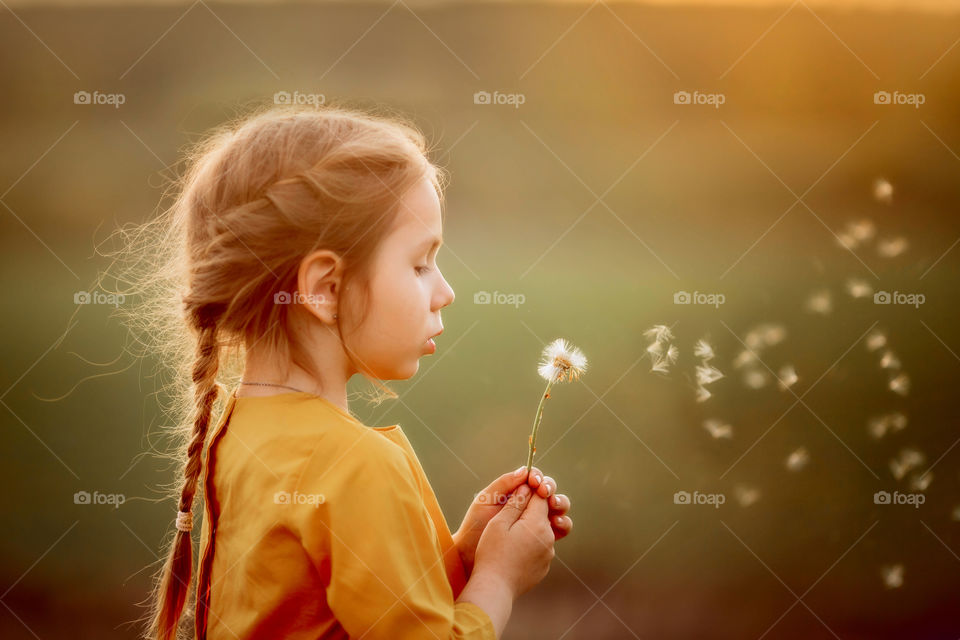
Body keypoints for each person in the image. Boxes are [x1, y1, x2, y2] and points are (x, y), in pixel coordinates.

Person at [131, 103, 574, 639]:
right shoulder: (357, 466)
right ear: (325, 289)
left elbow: (344, 614)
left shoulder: (240, 432)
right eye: (419, 263)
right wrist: (500, 580)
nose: (446, 292)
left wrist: (465, 554)